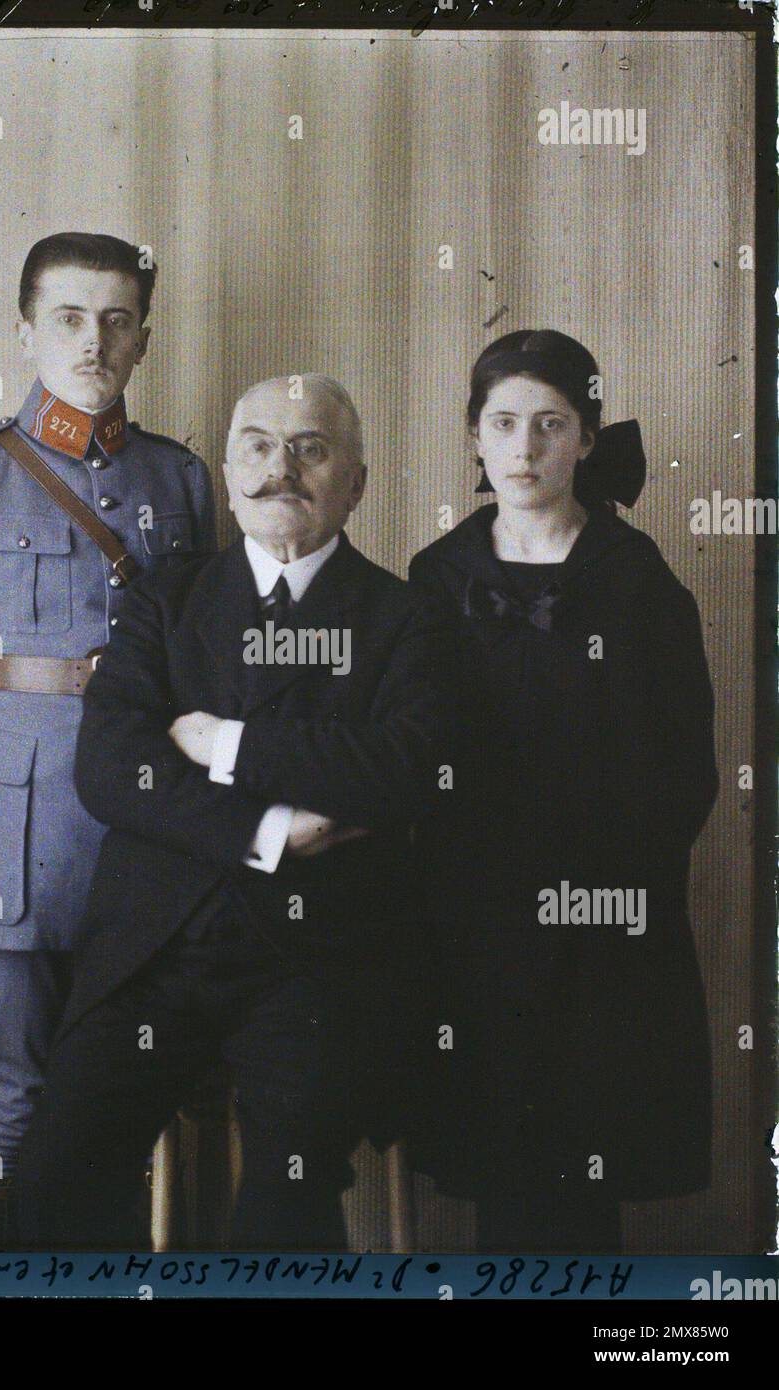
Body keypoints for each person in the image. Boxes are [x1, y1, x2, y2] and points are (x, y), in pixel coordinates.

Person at [14, 374, 445, 1251]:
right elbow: (108, 767)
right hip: (155, 949)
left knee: (286, 1202)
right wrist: (268, 830)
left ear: (356, 482)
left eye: (310, 449)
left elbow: (401, 770)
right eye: (256, 445)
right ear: (227, 469)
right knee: (51, 1184)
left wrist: (219, 742)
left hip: (317, 963)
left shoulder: (405, 616)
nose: (279, 468)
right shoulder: (163, 600)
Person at [0, 232, 215, 1250]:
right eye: (68, 317)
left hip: (141, 843)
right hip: (2, 848)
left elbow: (202, 659)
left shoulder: (180, 480)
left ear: (143, 339)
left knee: (112, 1098)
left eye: (116, 320)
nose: (93, 341)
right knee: (9, 1099)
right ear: (26, 329)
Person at [409, 329, 718, 1253]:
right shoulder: (438, 580)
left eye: (551, 424)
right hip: (479, 922)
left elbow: (684, 769)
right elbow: (418, 758)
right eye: (504, 423)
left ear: (585, 438)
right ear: (474, 436)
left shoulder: (638, 581)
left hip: (604, 926)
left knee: (588, 1159)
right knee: (503, 1158)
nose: (526, 447)